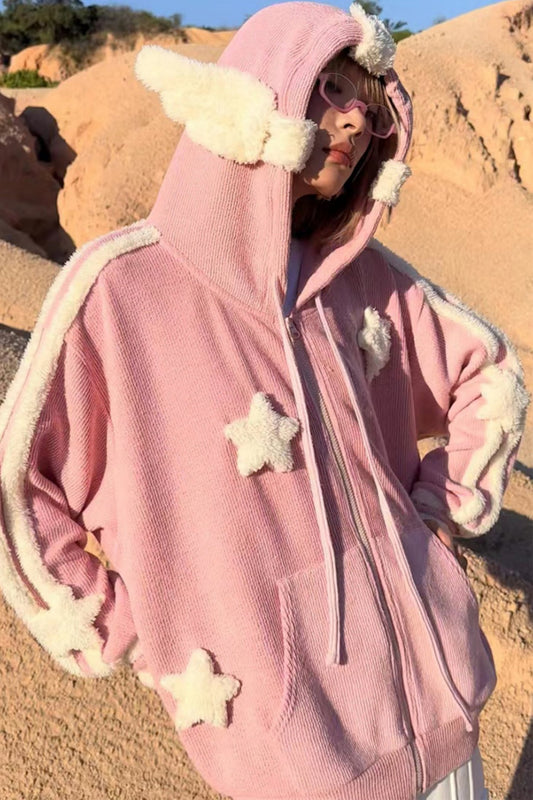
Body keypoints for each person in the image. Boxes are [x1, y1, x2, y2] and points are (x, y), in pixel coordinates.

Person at [0, 3, 529, 799]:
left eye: (370, 106)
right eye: (328, 88)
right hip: (293, 760)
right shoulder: (122, 291)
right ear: (257, 95)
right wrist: (127, 632)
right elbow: (17, 482)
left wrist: (434, 516)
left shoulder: (362, 277)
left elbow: (486, 370)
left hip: (447, 723)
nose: (355, 119)